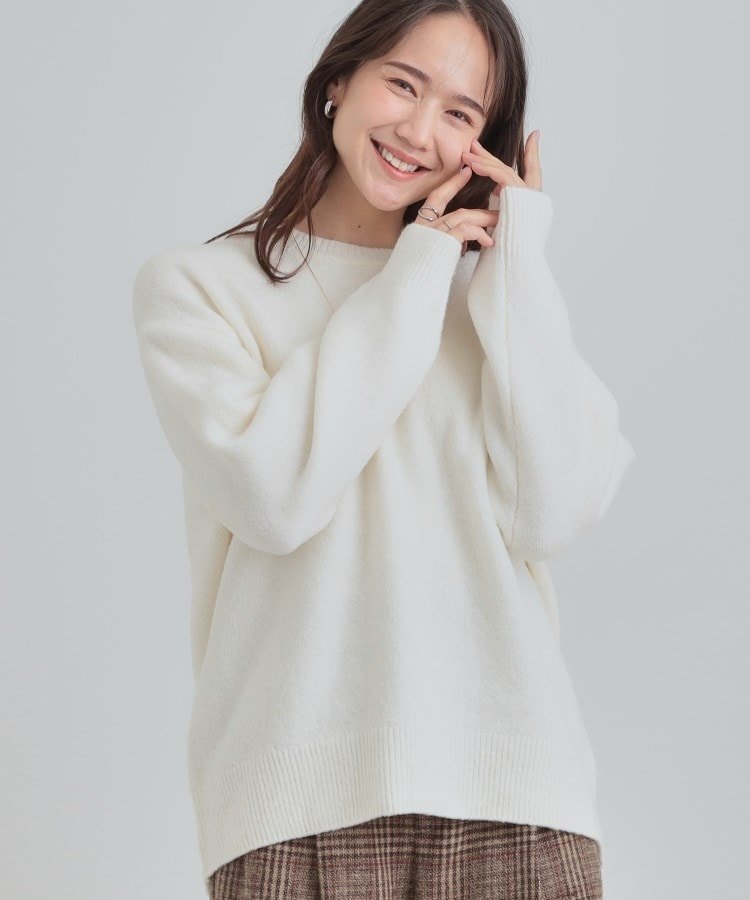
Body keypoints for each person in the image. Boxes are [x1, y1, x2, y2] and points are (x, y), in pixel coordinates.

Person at [131, 1, 636, 897]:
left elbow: (553, 512)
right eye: (402, 84)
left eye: (459, 112)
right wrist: (418, 272)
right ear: (339, 79)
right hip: (294, 802)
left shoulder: (495, 302)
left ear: (484, 144)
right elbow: (274, 500)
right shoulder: (200, 290)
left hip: (516, 790)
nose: (420, 131)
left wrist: (519, 264)